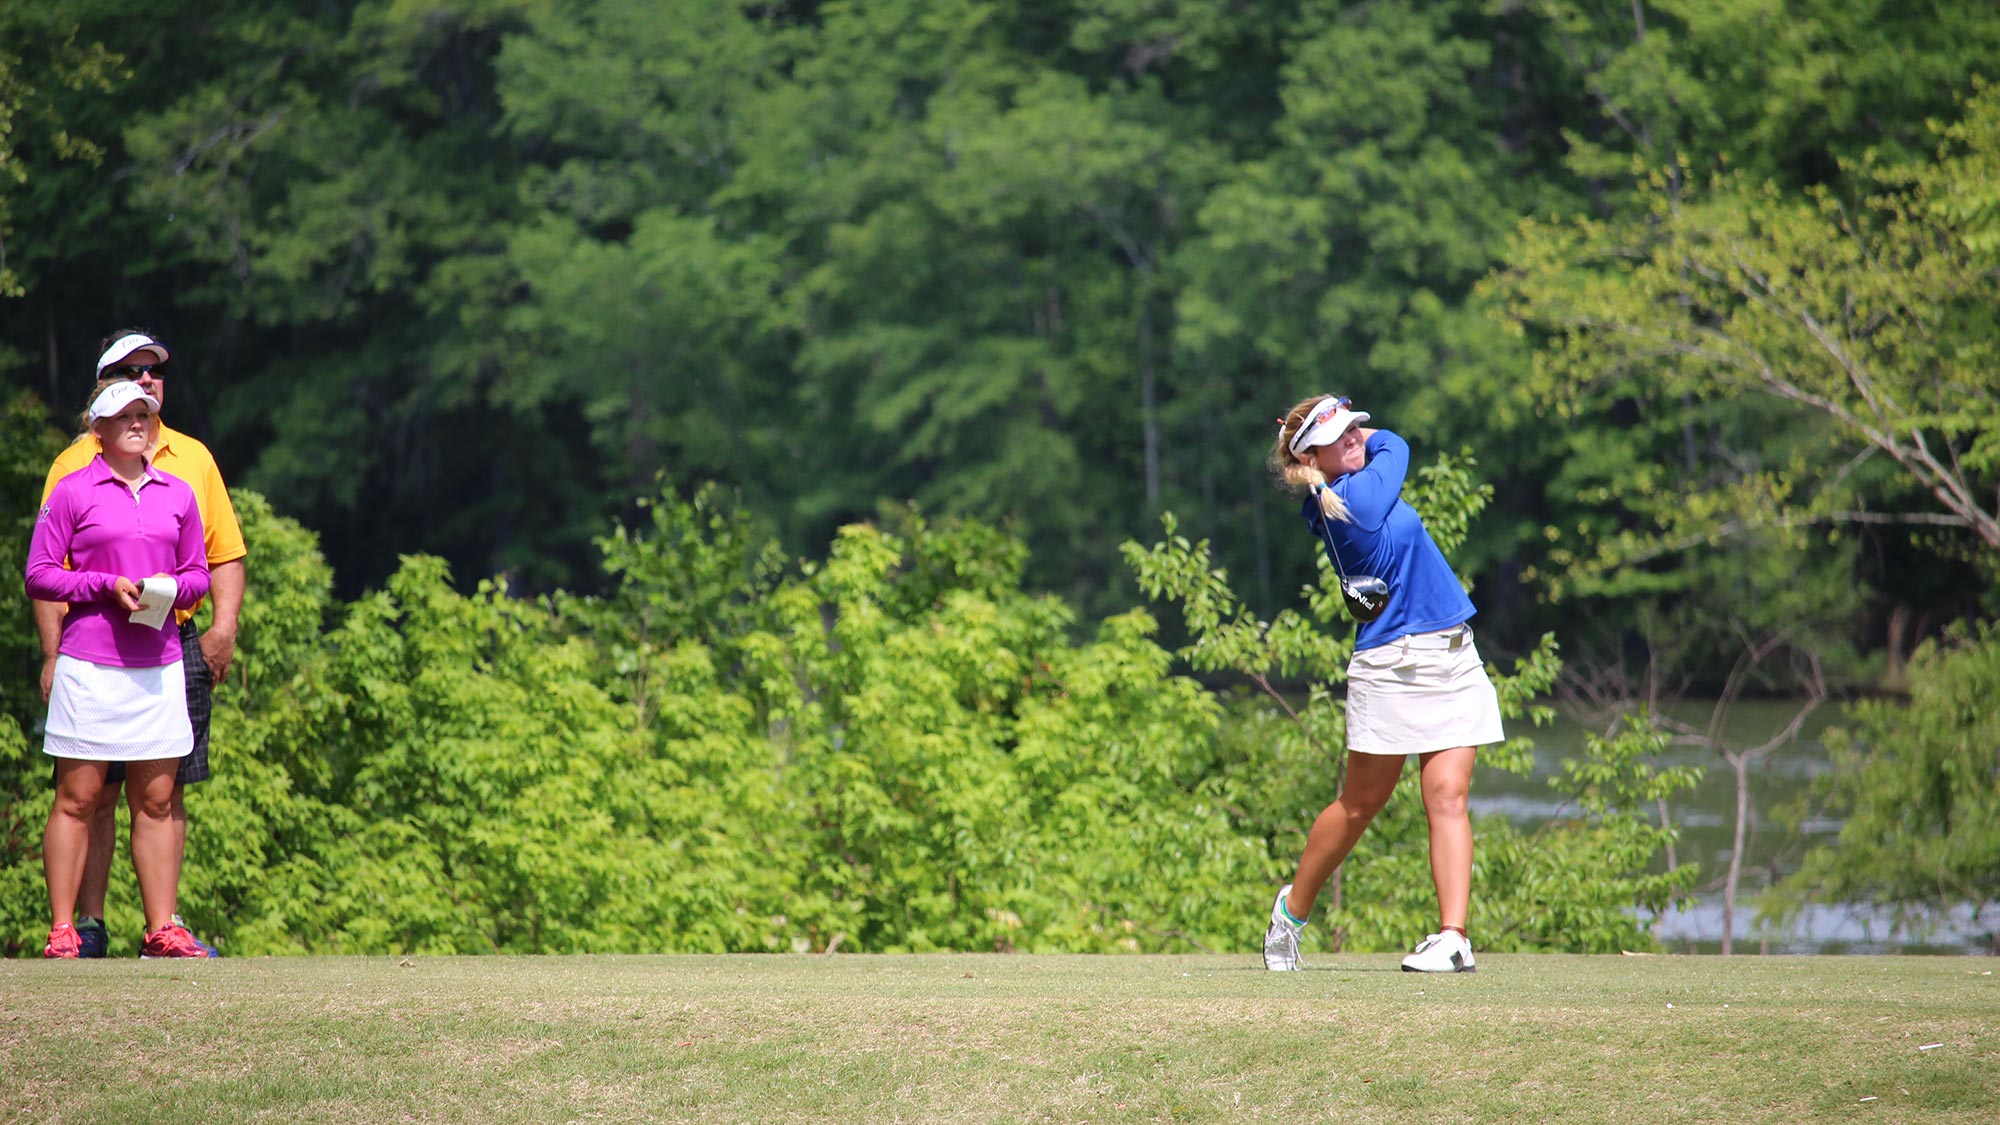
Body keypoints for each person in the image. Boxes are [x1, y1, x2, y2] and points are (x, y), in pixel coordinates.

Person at [1260, 394, 1505, 973]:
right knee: (1361, 803)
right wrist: (1365, 439)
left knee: (1447, 795)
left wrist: (1341, 432)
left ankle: (1454, 936)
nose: (1354, 438)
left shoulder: (1355, 482)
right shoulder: (1348, 500)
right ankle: (1290, 913)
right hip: (1391, 666)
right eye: (1338, 435)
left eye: (1353, 429)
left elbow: (1384, 444)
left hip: (1451, 652)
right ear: (1312, 459)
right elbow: (1397, 443)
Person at [33, 330, 246, 957]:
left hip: (164, 651)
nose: (143, 394)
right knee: (83, 794)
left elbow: (211, 563)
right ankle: (78, 928)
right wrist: (68, 633)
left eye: (150, 382)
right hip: (90, 654)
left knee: (160, 793)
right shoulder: (71, 475)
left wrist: (190, 604)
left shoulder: (187, 473)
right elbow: (43, 574)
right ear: (99, 411)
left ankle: (162, 925)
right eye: (129, 381)